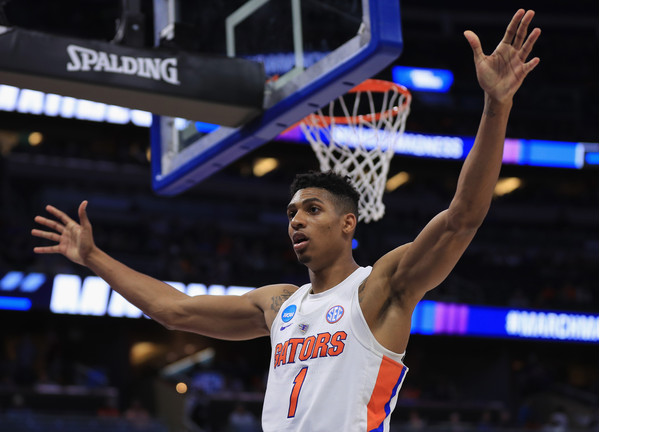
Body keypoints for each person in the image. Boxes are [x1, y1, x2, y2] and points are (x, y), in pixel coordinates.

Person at [31, 9, 541, 432]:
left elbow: (462, 219)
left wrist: (496, 105)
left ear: (348, 224)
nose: (296, 220)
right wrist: (93, 257)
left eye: (312, 210)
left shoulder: (382, 287)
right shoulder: (278, 305)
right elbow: (176, 311)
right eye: (292, 212)